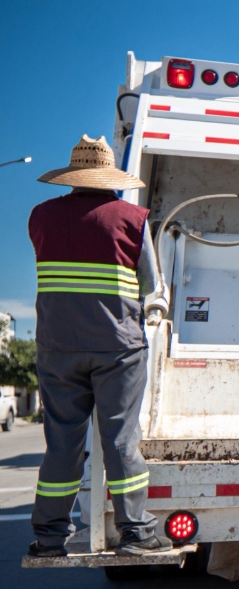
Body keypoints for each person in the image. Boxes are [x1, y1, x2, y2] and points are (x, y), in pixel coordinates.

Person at [27, 136, 170, 558]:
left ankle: (49, 539)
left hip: (57, 347)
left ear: (72, 176)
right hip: (117, 349)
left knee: (62, 443)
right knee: (120, 440)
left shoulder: (41, 216)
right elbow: (150, 284)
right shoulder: (132, 219)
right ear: (110, 178)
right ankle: (135, 532)